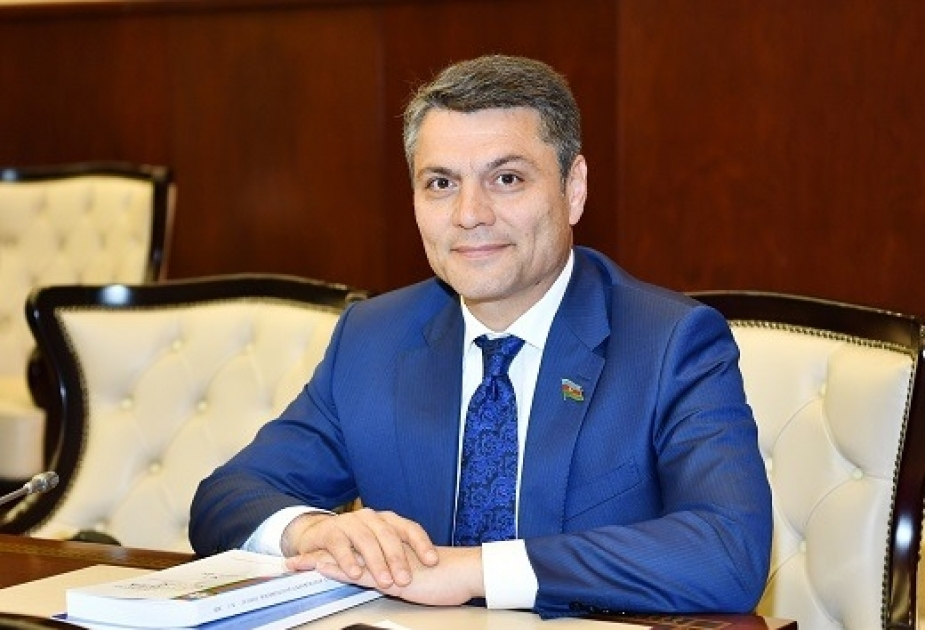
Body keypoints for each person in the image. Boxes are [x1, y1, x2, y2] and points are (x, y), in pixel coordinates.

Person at [189, 54, 772, 619]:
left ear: (573, 188)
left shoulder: (670, 343)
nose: (469, 214)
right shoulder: (372, 338)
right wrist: (311, 530)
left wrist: (474, 571)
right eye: (441, 183)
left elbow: (728, 552)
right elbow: (228, 496)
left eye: (507, 178)